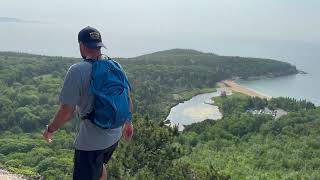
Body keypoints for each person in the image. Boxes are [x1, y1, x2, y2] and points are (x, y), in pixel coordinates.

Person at [42, 26, 134, 180]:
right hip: (115, 134)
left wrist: (50, 129)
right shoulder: (115, 66)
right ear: (99, 45)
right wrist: (129, 123)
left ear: (82, 45)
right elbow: (127, 97)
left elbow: (66, 110)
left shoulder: (77, 70)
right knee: (99, 166)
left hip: (91, 142)